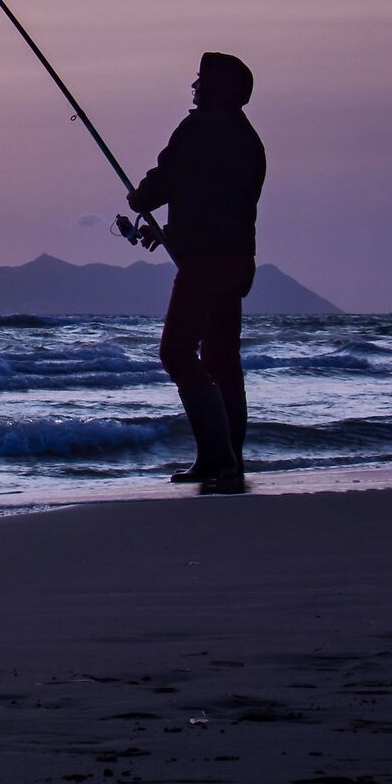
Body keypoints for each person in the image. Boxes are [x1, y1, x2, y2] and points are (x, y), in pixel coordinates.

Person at [128, 51, 267, 493]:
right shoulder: (249, 140)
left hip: (205, 265)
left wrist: (139, 200)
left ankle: (215, 457)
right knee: (223, 360)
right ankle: (232, 460)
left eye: (202, 81)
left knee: (178, 353)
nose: (195, 86)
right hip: (237, 262)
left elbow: (162, 183)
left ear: (219, 88)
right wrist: (173, 232)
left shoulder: (198, 129)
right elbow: (218, 202)